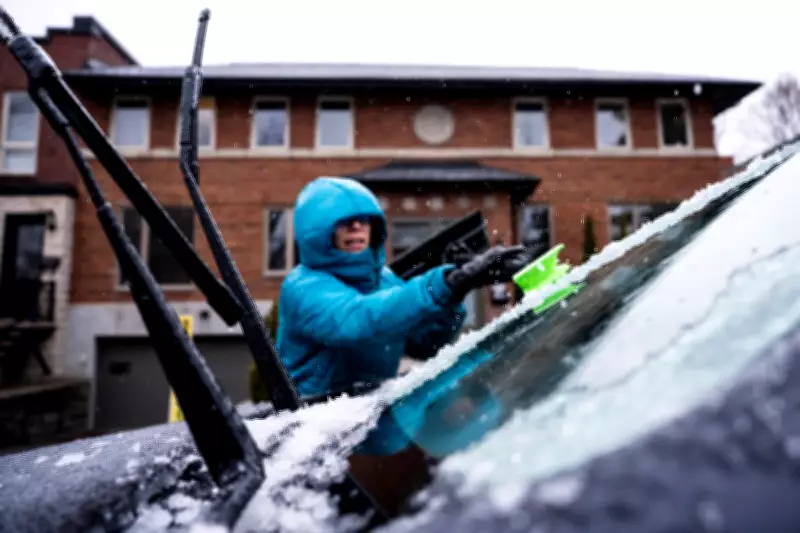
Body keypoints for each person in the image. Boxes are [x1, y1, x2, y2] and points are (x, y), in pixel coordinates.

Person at [276, 176, 530, 398]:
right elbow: (358, 321)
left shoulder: (385, 279)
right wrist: (446, 283)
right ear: (316, 232)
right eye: (345, 222)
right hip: (314, 425)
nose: (357, 227)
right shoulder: (303, 285)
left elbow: (426, 345)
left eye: (364, 220)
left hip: (372, 414)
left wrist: (456, 295)